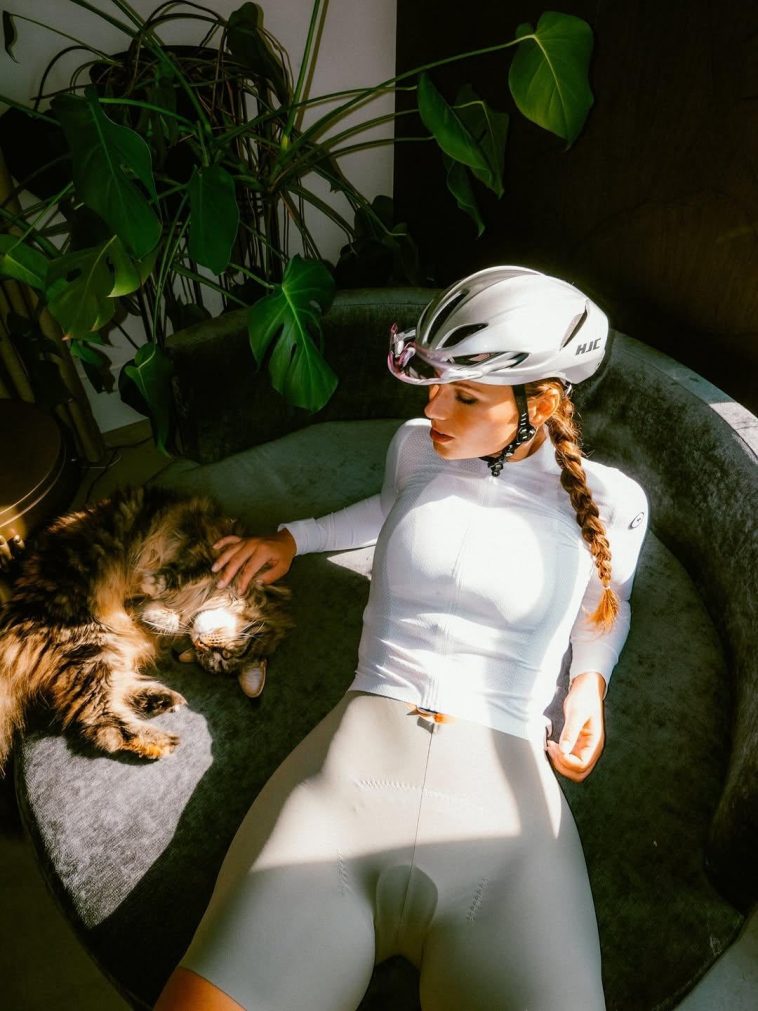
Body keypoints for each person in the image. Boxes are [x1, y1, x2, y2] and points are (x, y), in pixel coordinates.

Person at [155, 265, 648, 1011]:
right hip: (345, 791)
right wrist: (294, 537)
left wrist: (590, 684)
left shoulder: (613, 501)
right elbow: (388, 508)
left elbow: (607, 603)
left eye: (464, 395)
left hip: (505, 836)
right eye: (436, 383)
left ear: (541, 404)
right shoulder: (417, 446)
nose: (432, 406)